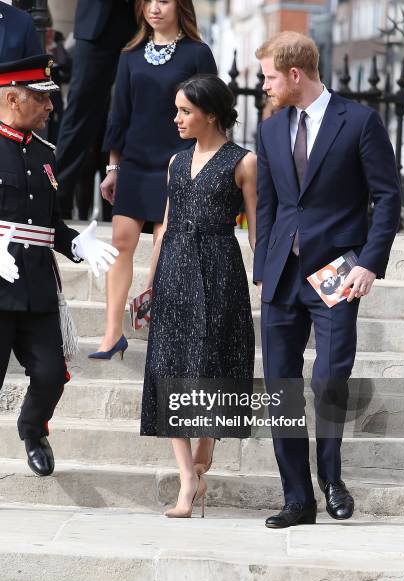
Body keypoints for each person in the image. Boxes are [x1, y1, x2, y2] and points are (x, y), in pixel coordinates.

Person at [254, 31, 401, 528]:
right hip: (281, 276)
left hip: (337, 270)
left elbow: (388, 197)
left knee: (329, 379)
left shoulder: (358, 121)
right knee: (282, 388)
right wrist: (263, 265)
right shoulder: (271, 129)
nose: (264, 84)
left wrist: (368, 262)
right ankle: (298, 499)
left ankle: (331, 477)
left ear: (296, 74)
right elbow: (268, 206)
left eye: (270, 75)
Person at [140, 74, 256, 518]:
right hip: (173, 270)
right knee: (168, 367)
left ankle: (206, 450)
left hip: (220, 268)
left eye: (185, 111)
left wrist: (267, 276)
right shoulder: (175, 161)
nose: (177, 118)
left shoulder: (243, 162)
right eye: (176, 110)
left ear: (211, 114)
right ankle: (188, 480)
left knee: (215, 362)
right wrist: (149, 283)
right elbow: (164, 226)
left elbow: (256, 227)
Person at [0, 55, 119, 477]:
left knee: (52, 374)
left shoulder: (45, 154)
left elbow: (48, 223)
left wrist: (77, 244)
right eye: (42, 98)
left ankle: (33, 428)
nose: (51, 107)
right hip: (0, 286)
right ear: (13, 98)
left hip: (36, 285)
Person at [89, 0, 217, 360]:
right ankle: (113, 333)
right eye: (148, 1)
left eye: (163, 0)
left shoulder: (198, 53)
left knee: (165, 244)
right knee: (120, 242)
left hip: (177, 162)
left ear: (181, 6)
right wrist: (113, 167)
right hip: (135, 161)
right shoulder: (130, 54)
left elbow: (211, 112)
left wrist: (201, 164)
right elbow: (120, 113)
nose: (154, 8)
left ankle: (153, 315)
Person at [55, 0, 137, 218]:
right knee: (79, 112)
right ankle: (57, 199)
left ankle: (137, 204)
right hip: (96, 22)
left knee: (139, 109)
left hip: (141, 19)